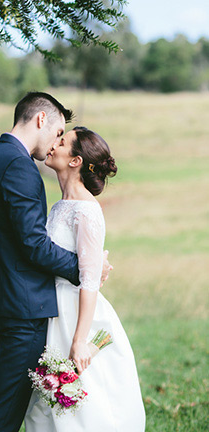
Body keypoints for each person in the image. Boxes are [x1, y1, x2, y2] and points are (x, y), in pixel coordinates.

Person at [0, 93, 111, 432]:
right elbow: (34, 245)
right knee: (3, 414)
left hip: (3, 300)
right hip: (25, 309)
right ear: (41, 120)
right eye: (58, 131)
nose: (54, 143)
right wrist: (85, 268)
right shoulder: (20, 166)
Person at [25, 127, 146, 432]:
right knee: (46, 404)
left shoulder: (87, 210)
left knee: (80, 405)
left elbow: (90, 280)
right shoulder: (59, 205)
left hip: (75, 314)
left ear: (76, 160)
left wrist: (80, 340)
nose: (53, 145)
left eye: (61, 142)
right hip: (50, 310)